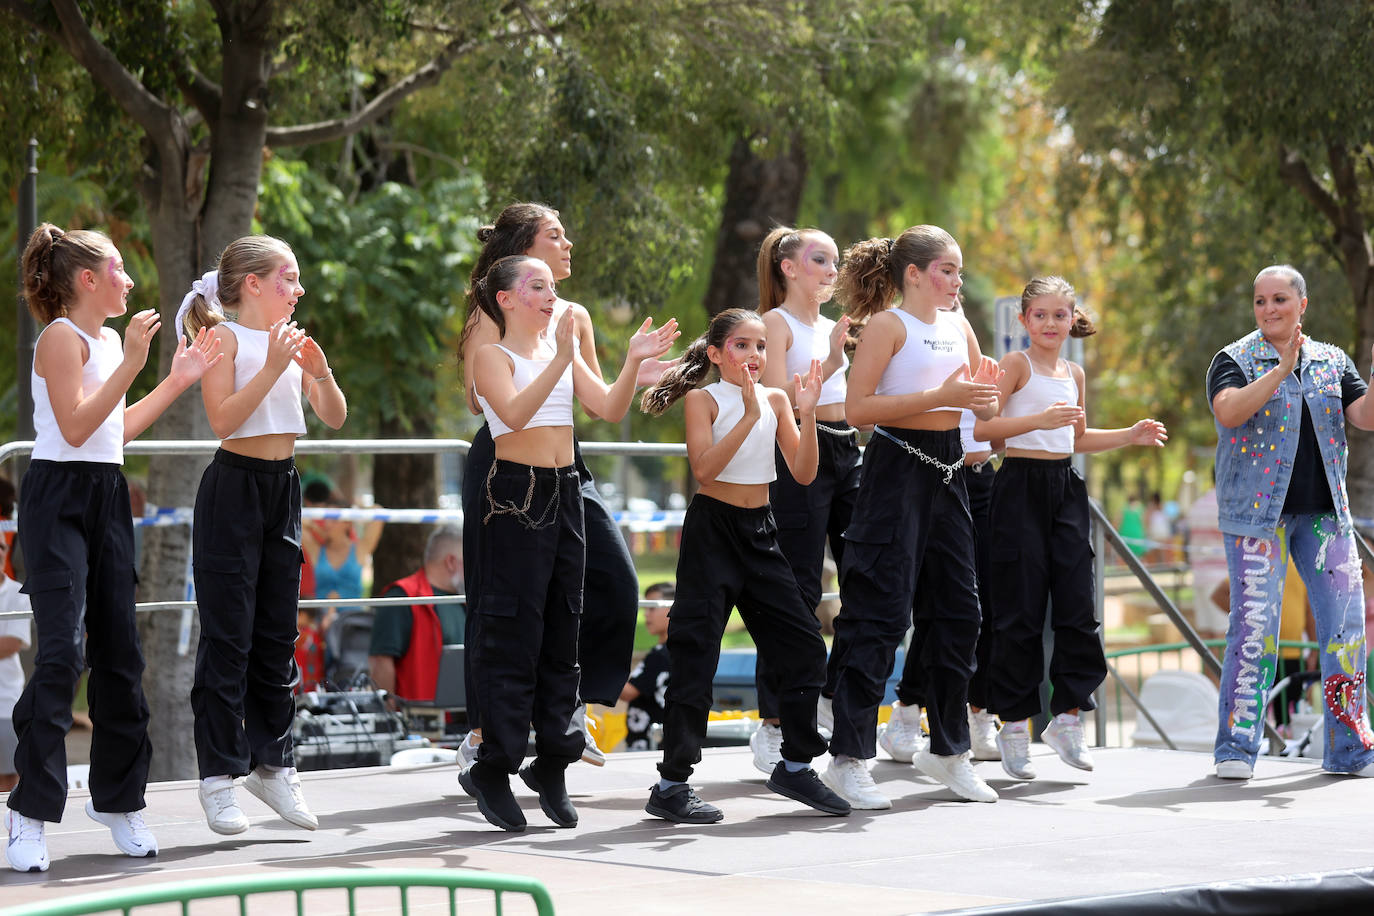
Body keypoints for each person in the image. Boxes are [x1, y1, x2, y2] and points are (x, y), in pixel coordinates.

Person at [7, 223, 220, 872]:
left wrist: (176, 379)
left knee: (121, 656)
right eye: (119, 269)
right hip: (56, 496)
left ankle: (121, 801)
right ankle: (29, 814)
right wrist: (132, 361)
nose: (129, 280)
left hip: (106, 492)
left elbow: (113, 430)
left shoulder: (104, 341)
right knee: (60, 656)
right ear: (87, 279)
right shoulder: (60, 338)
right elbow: (74, 426)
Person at [462, 254, 676, 832]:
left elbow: (606, 407)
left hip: (565, 491)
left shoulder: (561, 348)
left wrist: (631, 362)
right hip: (516, 496)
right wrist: (560, 357)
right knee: (514, 633)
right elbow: (512, 415)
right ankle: (494, 766)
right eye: (536, 286)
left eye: (551, 286)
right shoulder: (493, 356)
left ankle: (553, 760)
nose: (550, 295)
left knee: (565, 626)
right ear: (506, 299)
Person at [640, 307, 849, 824]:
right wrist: (750, 417)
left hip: (761, 532)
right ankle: (671, 784)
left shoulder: (777, 398)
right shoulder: (703, 400)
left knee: (804, 646)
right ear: (716, 354)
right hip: (712, 533)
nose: (754, 355)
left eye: (760, 346)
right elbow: (705, 471)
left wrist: (806, 414)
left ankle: (795, 766)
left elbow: (803, 474)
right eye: (741, 345)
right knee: (696, 656)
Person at [821, 225, 1002, 810]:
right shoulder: (888, 325)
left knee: (959, 613)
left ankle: (949, 751)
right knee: (880, 614)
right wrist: (940, 398)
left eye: (959, 271)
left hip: (949, 471)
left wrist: (984, 397)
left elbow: (978, 404)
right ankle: (848, 759)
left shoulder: (959, 326)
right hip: (896, 469)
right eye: (948, 270)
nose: (956, 281)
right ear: (915, 274)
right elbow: (857, 409)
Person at [179, 235, 347, 836]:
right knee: (228, 637)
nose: (299, 289)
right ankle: (218, 777)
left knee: (277, 635)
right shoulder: (223, 339)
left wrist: (319, 373)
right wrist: (275, 365)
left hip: (284, 487)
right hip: (233, 487)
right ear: (253, 283)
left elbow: (334, 415)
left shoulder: (290, 341)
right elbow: (222, 418)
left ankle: (274, 764)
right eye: (288, 278)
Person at [974, 276, 1167, 780]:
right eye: (1040, 315)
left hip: (1065, 488)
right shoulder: (1015, 365)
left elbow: (1074, 438)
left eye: (1060, 314)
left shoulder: (1074, 373)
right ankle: (1015, 725)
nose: (1050, 323)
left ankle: (1067, 718)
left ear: (1072, 318)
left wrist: (1129, 435)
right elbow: (985, 431)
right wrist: (1037, 418)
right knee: (1020, 610)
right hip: (1018, 485)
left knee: (1078, 606)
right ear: (1024, 320)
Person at [1209, 264, 1374, 780]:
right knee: (1255, 631)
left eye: (1279, 299)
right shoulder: (1234, 359)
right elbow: (1228, 412)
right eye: (1260, 301)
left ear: (1302, 304)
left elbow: (1365, 417)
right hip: (1258, 521)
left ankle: (1351, 751)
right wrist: (1280, 370)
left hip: (1327, 518)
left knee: (1346, 629)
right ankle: (1236, 750)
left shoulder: (1332, 361)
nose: (1269, 309)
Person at [747, 226, 858, 775]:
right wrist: (831, 364)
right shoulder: (775, 323)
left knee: (868, 576)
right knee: (798, 589)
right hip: (797, 449)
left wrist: (839, 357)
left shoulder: (831, 326)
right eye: (820, 259)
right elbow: (774, 399)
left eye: (835, 261)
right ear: (788, 267)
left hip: (847, 447)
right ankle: (773, 721)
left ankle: (831, 694)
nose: (831, 270)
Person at [368, 524, 465, 704]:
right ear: (451, 562)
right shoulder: (403, 596)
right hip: (419, 717)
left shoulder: (466, 601)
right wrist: (391, 716)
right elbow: (381, 662)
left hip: (463, 716)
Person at [621, 582, 674, 751]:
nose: (646, 614)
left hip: (649, 745)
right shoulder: (672, 651)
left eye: (652, 608)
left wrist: (595, 669)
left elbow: (627, 692)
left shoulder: (662, 655)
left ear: (672, 609)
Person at [0, 535, 32, 794]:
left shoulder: (19, 593)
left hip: (5, 703)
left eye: (1, 546)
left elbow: (10, 644)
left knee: (9, 777)